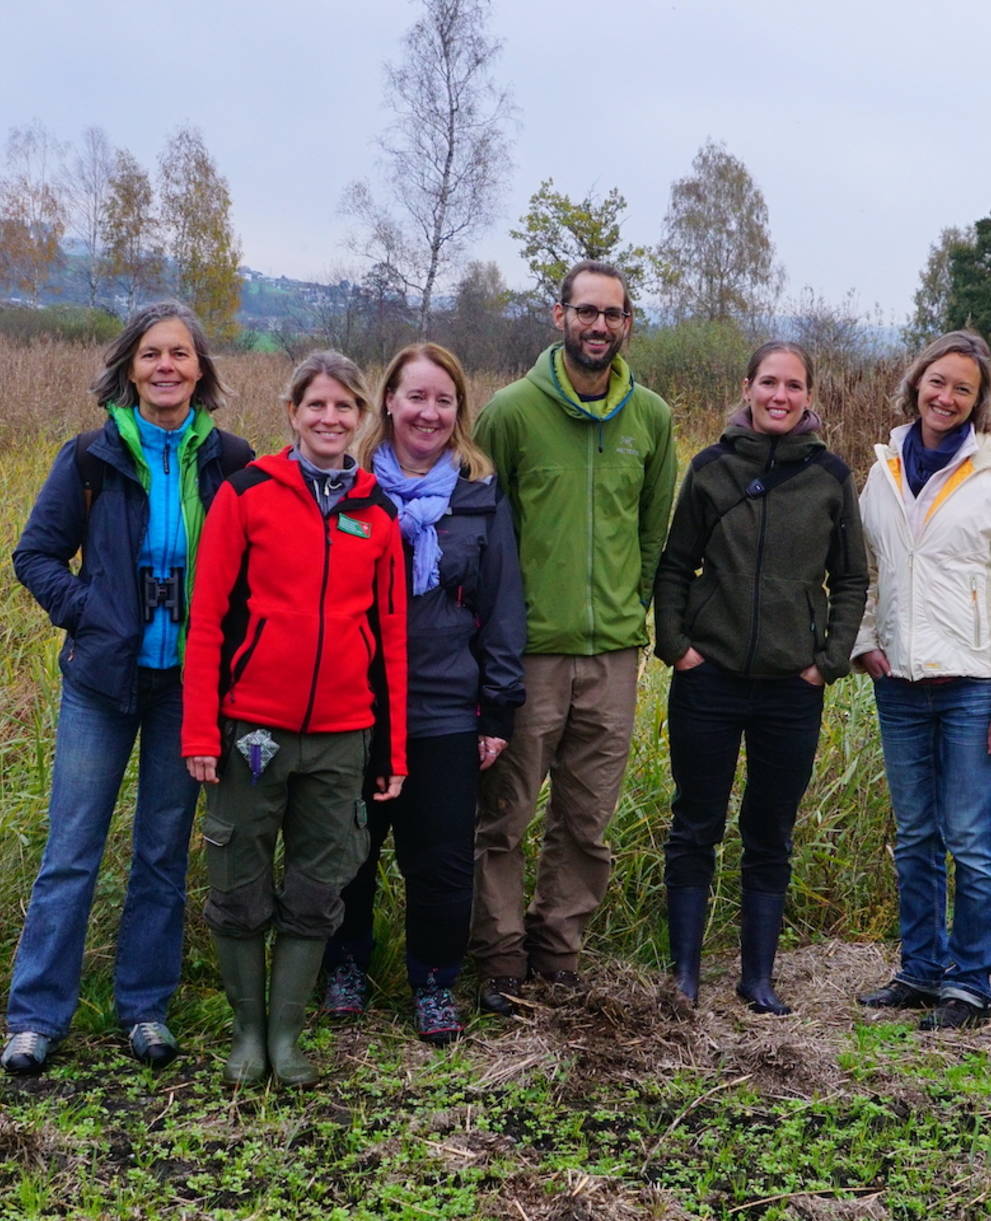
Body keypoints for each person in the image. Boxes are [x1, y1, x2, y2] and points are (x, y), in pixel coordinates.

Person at [3, 302, 253, 1076]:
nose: (166, 366)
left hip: (187, 686)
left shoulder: (234, 461)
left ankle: (144, 1007)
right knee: (72, 851)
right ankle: (36, 1017)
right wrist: (94, 615)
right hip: (101, 685)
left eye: (180, 353)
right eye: (152, 354)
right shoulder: (90, 457)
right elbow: (36, 555)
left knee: (159, 852)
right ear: (129, 367)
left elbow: (252, 574)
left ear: (201, 370)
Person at [181, 350, 407, 1086]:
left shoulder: (377, 513)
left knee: (317, 888)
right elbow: (208, 620)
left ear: (361, 419)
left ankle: (287, 1036)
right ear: (292, 413)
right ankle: (246, 1033)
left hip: (343, 736)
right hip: (251, 731)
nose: (330, 419)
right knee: (240, 883)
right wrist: (198, 731)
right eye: (317, 405)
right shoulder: (248, 494)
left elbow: (391, 638)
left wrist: (392, 749)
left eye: (345, 407)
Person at [470, 259, 676, 1016]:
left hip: (613, 654)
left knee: (586, 820)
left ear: (626, 324)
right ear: (558, 317)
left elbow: (653, 531)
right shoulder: (511, 412)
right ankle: (497, 959)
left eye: (612, 314)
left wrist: (632, 614)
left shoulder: (649, 416)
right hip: (527, 654)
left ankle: (557, 955)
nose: (599, 325)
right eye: (585, 311)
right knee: (504, 813)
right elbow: (488, 537)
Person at [321, 343, 526, 1043]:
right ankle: (344, 964)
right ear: (387, 401)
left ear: (458, 411)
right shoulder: (348, 490)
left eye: (443, 400)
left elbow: (502, 606)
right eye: (416, 397)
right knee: (349, 849)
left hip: (444, 705)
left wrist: (497, 708)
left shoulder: (478, 494)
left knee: (439, 858)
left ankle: (433, 979)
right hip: (354, 701)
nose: (428, 412)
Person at [654, 341, 868, 1015]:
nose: (779, 394)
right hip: (707, 678)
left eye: (792, 384)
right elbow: (673, 564)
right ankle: (685, 975)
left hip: (789, 688)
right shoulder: (711, 468)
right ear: (746, 387)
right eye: (768, 382)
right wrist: (676, 647)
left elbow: (852, 577)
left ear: (808, 395)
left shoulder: (830, 476)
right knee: (695, 823)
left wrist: (825, 660)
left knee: (769, 830)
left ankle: (757, 978)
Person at [853, 330, 991, 1031]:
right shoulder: (882, 469)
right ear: (916, 383)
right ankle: (919, 968)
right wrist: (863, 643)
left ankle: (970, 980)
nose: (945, 396)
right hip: (898, 678)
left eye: (961, 388)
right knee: (913, 834)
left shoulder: (988, 470)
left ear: (977, 401)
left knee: (968, 835)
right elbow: (867, 572)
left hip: (972, 679)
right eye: (936, 381)